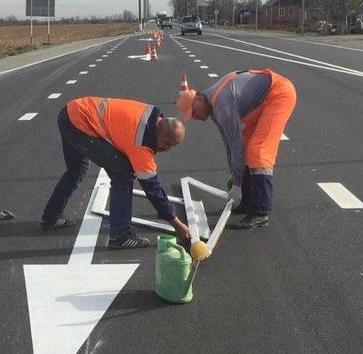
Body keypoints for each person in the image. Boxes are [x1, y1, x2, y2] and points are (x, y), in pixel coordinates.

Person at [42, 97, 190, 249]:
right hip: (80, 123)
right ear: (159, 130)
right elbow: (153, 190)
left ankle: (51, 217)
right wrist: (177, 225)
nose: (167, 149)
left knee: (76, 170)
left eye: (172, 146)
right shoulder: (141, 142)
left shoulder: (153, 117)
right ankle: (120, 236)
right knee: (123, 173)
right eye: (166, 143)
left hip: (71, 112)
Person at [176, 69, 296, 229]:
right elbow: (228, 143)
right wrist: (235, 175)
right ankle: (247, 203)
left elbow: (235, 145)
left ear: (198, 99)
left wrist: (237, 184)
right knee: (246, 148)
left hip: (278, 94)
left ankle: (260, 212)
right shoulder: (212, 103)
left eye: (194, 113)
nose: (196, 118)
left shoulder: (221, 105)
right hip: (263, 100)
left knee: (258, 151)